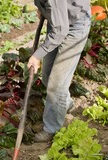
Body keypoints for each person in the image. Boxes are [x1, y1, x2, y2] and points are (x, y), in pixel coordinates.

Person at [27, 0, 91, 142]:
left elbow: (60, 32)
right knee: (47, 76)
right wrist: (43, 9)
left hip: (74, 26)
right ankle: (65, 104)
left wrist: (37, 56)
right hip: (59, 23)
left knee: (57, 84)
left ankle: (52, 128)